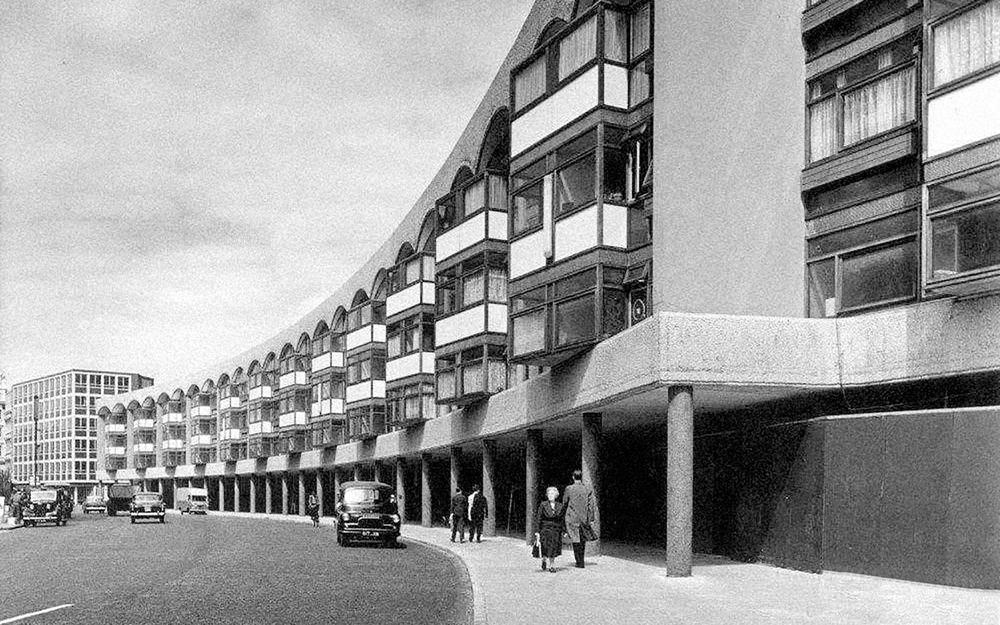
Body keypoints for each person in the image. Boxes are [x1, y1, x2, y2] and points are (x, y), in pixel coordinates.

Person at [562, 469, 596, 569]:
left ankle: (578, 561)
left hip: (572, 517)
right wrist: (591, 519)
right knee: (582, 539)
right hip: (583, 518)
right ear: (581, 477)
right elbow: (591, 505)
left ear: (573, 477)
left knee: (575, 539)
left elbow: (565, 502)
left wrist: (562, 515)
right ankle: (581, 560)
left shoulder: (569, 488)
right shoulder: (587, 489)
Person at [533, 486, 565, 572]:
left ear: (556, 495)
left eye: (552, 493)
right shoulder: (543, 505)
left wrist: (564, 530)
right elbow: (539, 518)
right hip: (545, 529)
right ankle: (544, 559)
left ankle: (552, 565)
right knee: (545, 547)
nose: (550, 495)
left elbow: (562, 519)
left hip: (555, 530)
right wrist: (537, 531)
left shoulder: (560, 506)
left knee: (553, 548)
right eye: (549, 494)